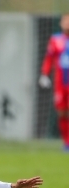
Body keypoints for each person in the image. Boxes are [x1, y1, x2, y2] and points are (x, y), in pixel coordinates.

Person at [39, 13, 69, 151]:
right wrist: (44, 74)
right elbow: (49, 58)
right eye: (65, 20)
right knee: (62, 112)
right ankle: (67, 143)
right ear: (61, 23)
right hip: (61, 84)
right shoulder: (56, 40)